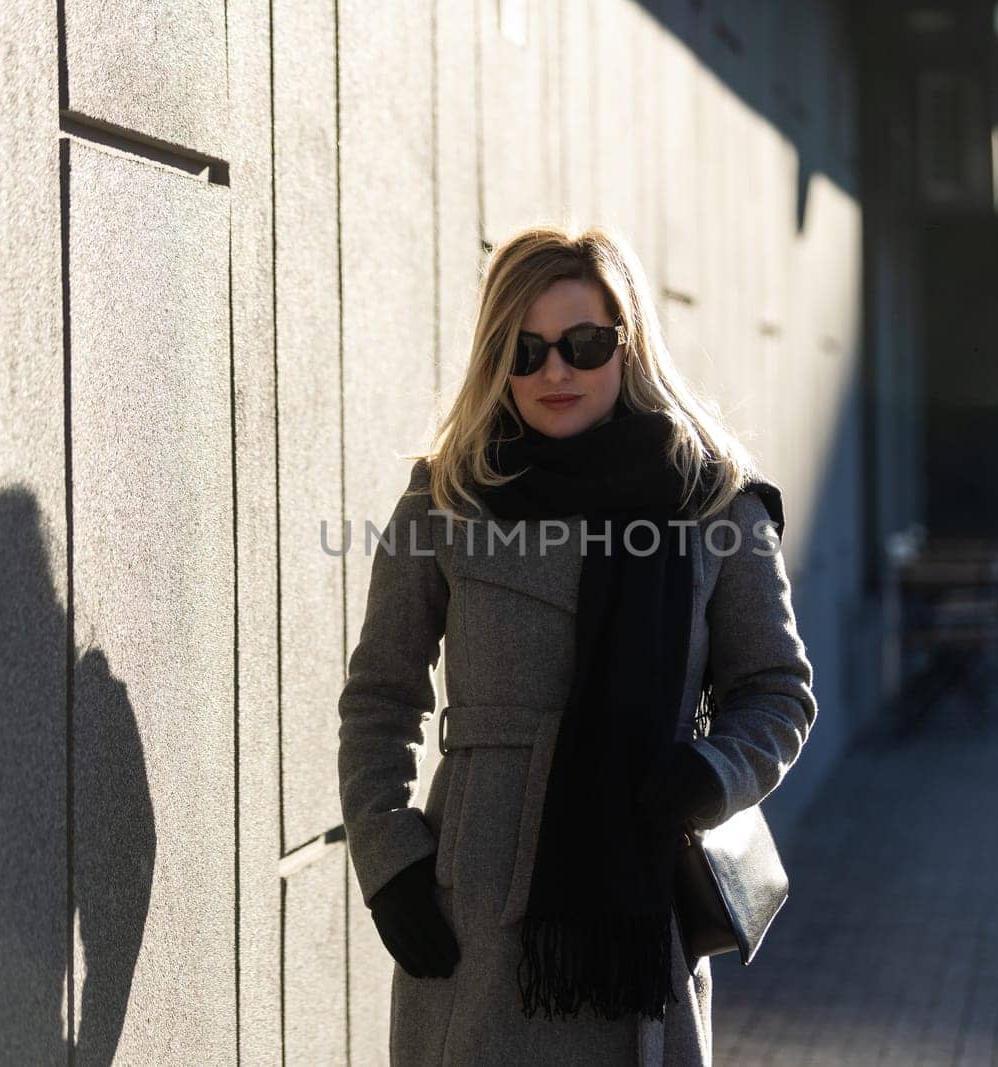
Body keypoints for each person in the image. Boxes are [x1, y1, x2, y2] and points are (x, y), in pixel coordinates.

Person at [337, 225, 818, 1065]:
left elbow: (778, 691)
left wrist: (709, 775)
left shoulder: (714, 504)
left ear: (627, 346)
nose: (555, 372)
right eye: (526, 352)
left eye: (583, 344)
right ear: (498, 360)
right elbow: (380, 696)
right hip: (469, 911)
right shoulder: (447, 500)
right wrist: (389, 857)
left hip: (638, 905)